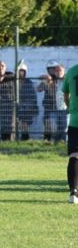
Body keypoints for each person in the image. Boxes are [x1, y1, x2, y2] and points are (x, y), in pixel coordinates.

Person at [38, 61, 67, 143]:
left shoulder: (64, 79)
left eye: (59, 70)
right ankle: (50, 141)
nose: (57, 72)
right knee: (50, 126)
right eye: (56, 71)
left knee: (62, 127)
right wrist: (45, 80)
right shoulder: (49, 79)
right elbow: (39, 89)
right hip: (50, 107)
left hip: (62, 107)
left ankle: (61, 142)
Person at [61, 63, 78, 203]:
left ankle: (73, 193)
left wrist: (71, 109)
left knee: (74, 155)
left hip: (75, 120)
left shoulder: (72, 71)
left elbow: (65, 96)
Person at [17, 62, 39, 140]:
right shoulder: (15, 82)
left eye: (22, 71)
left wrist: (30, 107)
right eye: (19, 70)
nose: (20, 72)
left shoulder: (28, 83)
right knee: (20, 124)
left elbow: (32, 97)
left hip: (27, 108)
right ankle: (23, 138)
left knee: (25, 124)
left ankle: (25, 138)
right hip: (18, 107)